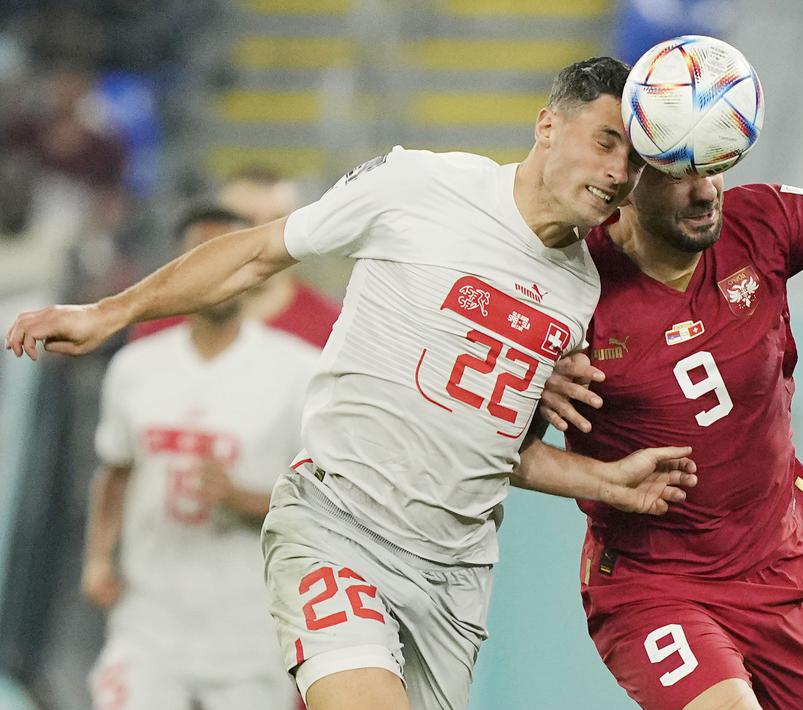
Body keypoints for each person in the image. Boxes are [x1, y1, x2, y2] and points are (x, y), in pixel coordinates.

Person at [7, 57, 698, 710]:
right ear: (548, 124)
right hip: (339, 526)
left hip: (455, 577)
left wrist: (603, 481)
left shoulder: (579, 290)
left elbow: (499, 454)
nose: (617, 173)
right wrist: (110, 312)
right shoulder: (420, 188)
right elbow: (255, 254)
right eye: (607, 142)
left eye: (634, 161)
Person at [537, 162, 803, 709]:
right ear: (626, 181)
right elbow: (500, 451)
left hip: (775, 574)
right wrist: (601, 477)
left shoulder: (762, 219)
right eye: (676, 175)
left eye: (713, 168)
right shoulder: (568, 288)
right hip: (652, 582)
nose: (704, 191)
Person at [82, 205, 316, 710]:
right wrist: (99, 556)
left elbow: (322, 504)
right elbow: (117, 470)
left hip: (250, 628)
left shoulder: (298, 372)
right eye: (199, 259)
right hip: (150, 619)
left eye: (225, 257)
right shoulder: (135, 367)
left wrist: (242, 497)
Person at [130, 165, 342, 348]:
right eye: (247, 222)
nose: (263, 239)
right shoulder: (161, 329)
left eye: (279, 222)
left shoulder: (333, 329)